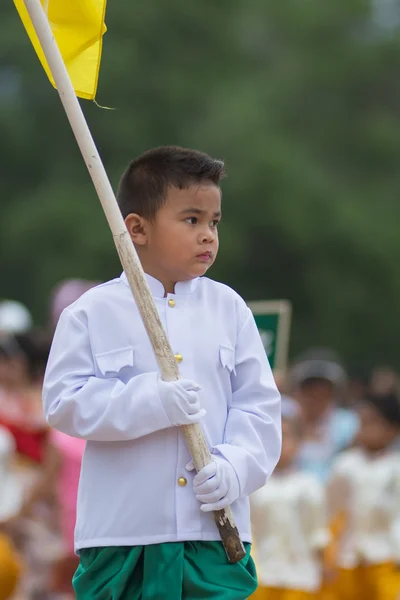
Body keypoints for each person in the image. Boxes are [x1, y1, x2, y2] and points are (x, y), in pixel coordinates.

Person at [42, 146, 282, 600]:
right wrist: (149, 401)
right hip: (123, 536)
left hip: (214, 532)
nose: (208, 235)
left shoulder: (231, 309)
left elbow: (259, 407)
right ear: (136, 228)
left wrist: (235, 468)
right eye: (192, 220)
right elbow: (62, 404)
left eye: (214, 222)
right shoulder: (90, 313)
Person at [250, 397, 330, 600]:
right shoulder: (253, 485)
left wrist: (325, 567)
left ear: (299, 442)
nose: (279, 442)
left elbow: (318, 534)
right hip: (263, 576)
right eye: (273, 435)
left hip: (301, 578)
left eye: (285, 436)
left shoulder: (310, 485)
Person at [326, 390, 400, 600]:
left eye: (373, 422)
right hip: (347, 557)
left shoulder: (396, 468)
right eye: (362, 422)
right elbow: (331, 511)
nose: (365, 429)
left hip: (387, 557)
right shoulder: (344, 465)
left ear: (392, 429)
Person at [290, 349, 359, 481]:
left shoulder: (348, 424)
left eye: (323, 394)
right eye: (310, 393)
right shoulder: (285, 419)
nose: (316, 400)